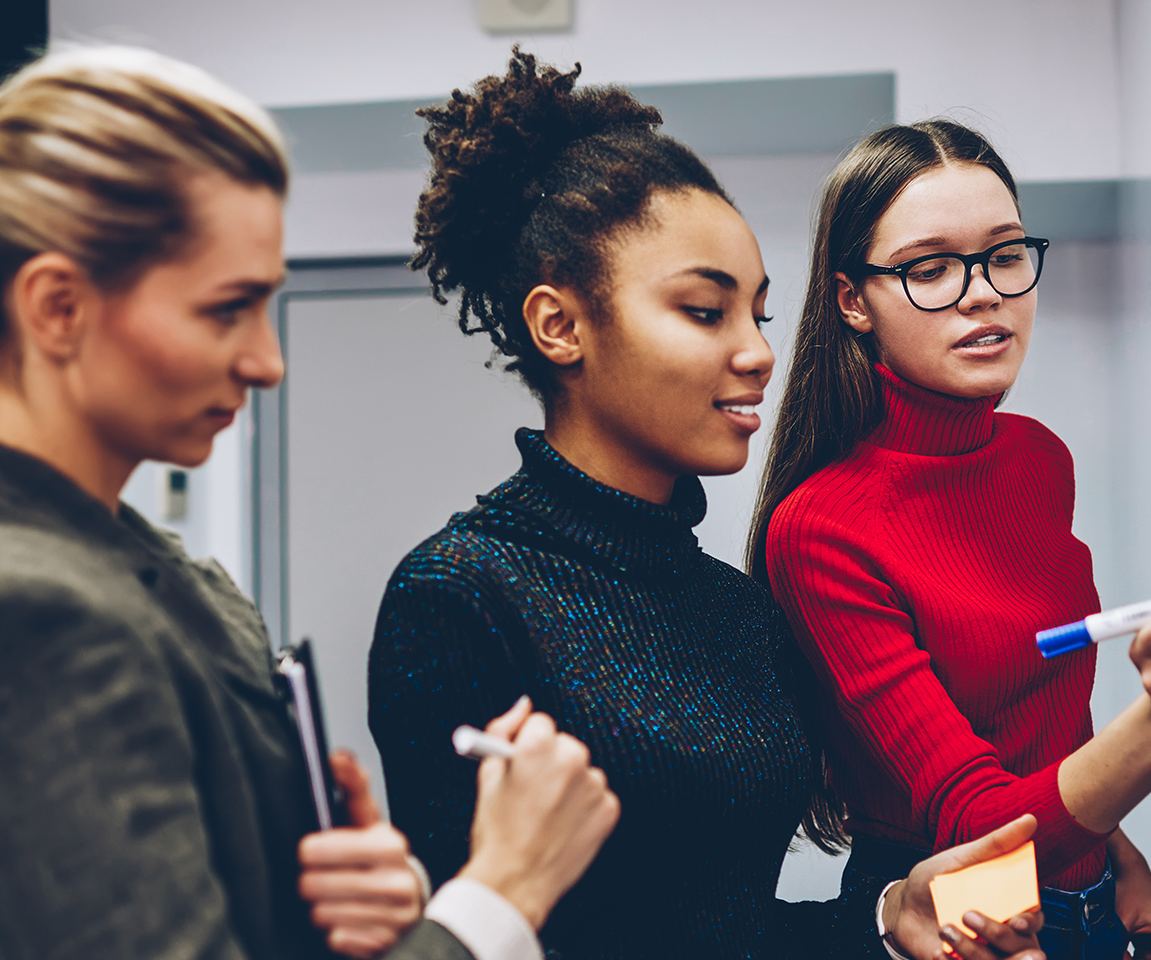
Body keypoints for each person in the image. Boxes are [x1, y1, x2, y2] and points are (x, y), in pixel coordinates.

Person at [0, 45, 618, 960]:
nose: (267, 361)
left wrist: (367, 910)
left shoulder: (136, 566)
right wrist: (502, 893)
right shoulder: (14, 610)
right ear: (57, 308)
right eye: (226, 309)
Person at [368, 52, 1044, 960]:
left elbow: (736, 933)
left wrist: (887, 922)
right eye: (702, 311)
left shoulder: (737, 611)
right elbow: (469, 938)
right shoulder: (462, 594)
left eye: (758, 315)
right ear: (559, 325)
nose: (757, 352)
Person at [749, 120, 1151, 960]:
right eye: (930, 268)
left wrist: (1116, 858)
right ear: (852, 300)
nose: (983, 293)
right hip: (957, 920)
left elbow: (1044, 716)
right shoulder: (820, 529)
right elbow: (980, 824)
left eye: (1004, 255)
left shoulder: (1036, 457)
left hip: (1086, 892)